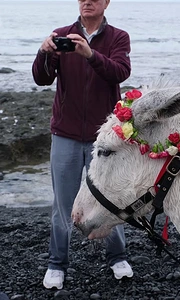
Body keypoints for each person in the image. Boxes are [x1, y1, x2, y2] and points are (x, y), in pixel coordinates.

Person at [32, 0, 133, 290]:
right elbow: (41, 78)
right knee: (63, 203)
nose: (87, 1)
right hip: (65, 132)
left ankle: (117, 256)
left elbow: (120, 72)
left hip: (104, 136)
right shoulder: (61, 33)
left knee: (110, 197)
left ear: (106, 3)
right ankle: (56, 263)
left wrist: (90, 54)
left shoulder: (118, 37)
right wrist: (43, 53)